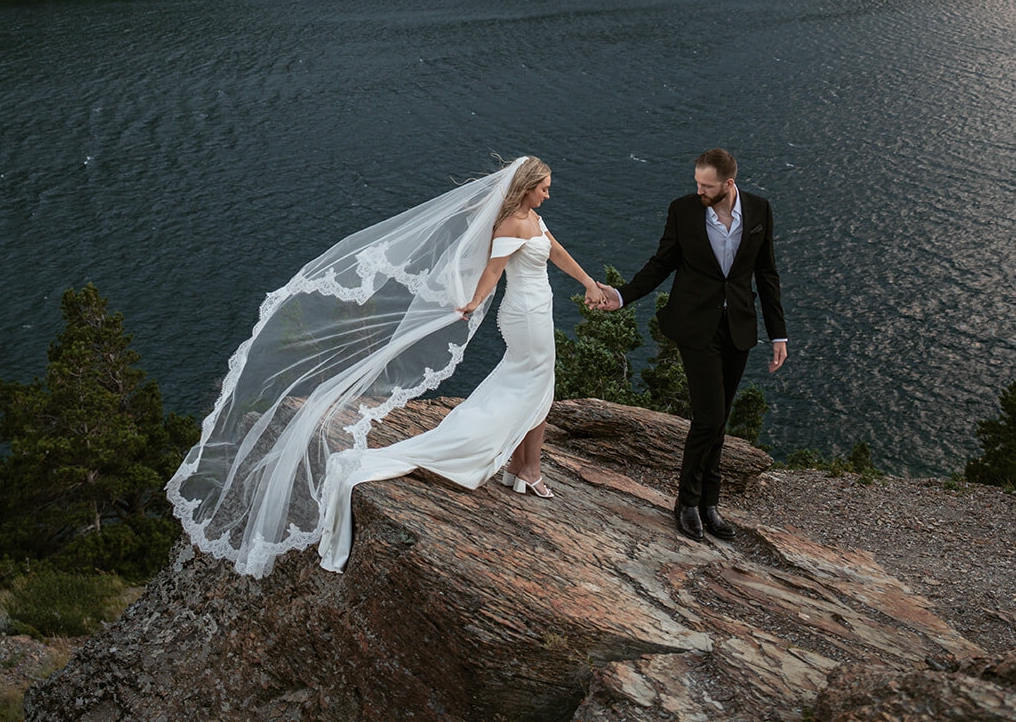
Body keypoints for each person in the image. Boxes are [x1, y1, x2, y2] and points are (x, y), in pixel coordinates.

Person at [167, 155, 603, 577]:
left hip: (540, 308)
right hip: (524, 313)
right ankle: (525, 469)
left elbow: (557, 252)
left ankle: (521, 469)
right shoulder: (511, 222)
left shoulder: (535, 220)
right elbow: (493, 271)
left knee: (537, 386)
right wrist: (472, 302)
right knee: (535, 383)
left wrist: (588, 283)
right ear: (527, 188)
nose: (548, 196)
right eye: (544, 189)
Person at [593, 148, 786, 543]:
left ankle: (710, 505)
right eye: (697, 183)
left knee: (720, 418)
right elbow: (662, 262)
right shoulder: (683, 210)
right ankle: (686, 502)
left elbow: (766, 273)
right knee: (709, 416)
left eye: (707, 186)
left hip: (738, 328)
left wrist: (778, 333)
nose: (698, 191)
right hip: (696, 327)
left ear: (729, 184)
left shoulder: (760, 210)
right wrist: (623, 295)